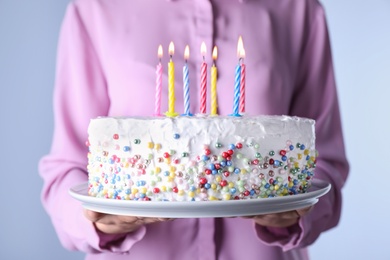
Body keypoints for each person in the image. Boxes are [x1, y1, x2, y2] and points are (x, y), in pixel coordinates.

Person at [39, 0, 349, 259]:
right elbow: (66, 168)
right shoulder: (96, 8)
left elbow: (325, 162)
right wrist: (95, 220)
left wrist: (296, 213)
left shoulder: (297, 8)